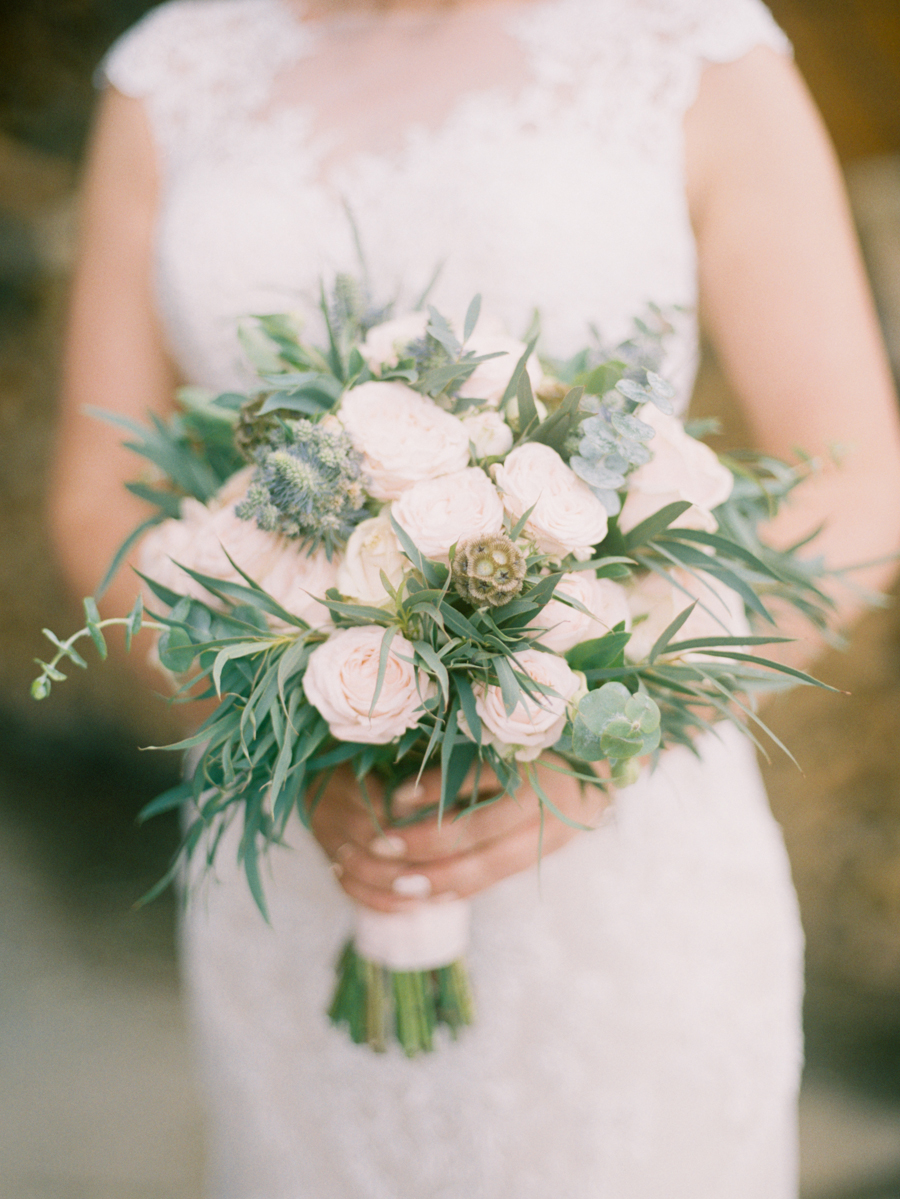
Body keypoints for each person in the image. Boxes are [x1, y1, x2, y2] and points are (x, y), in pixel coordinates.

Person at [50, 0, 900, 1195]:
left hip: (622, 857)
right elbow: (99, 494)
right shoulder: (173, 72)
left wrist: (617, 727)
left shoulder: (691, 46)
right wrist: (281, 708)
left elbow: (855, 476)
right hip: (299, 855)